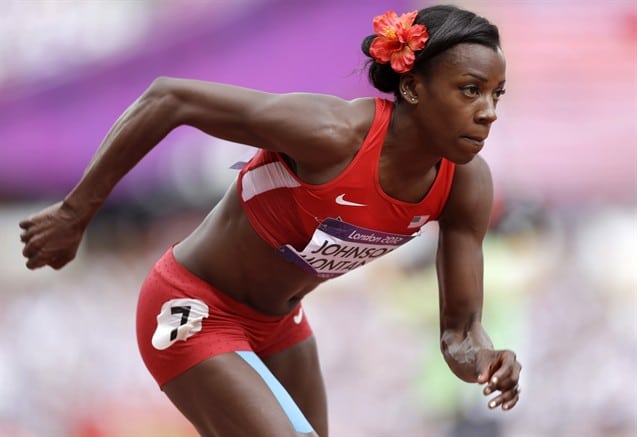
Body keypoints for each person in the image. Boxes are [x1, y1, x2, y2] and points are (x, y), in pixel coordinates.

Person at [19, 4, 522, 436]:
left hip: (280, 326)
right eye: (470, 90)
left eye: (496, 94)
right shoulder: (331, 134)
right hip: (193, 307)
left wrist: (485, 361)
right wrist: (75, 213)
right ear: (411, 87)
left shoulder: (466, 186)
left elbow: (460, 333)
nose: (488, 112)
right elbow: (169, 97)